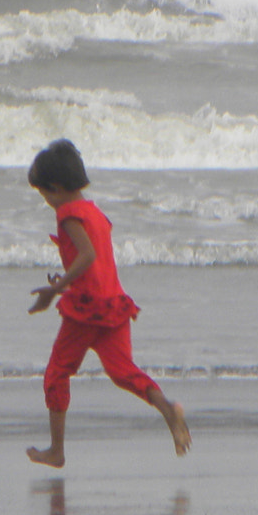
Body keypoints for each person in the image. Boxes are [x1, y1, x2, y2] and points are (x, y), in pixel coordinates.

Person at [24, 139, 190, 466]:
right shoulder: (95, 213)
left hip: (87, 310)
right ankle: (168, 410)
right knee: (123, 372)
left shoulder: (68, 214)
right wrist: (64, 281)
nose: (46, 201)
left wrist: (54, 292)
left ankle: (57, 451)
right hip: (113, 304)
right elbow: (95, 264)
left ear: (56, 187)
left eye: (44, 194)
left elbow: (87, 256)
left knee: (57, 373)